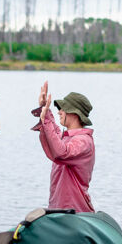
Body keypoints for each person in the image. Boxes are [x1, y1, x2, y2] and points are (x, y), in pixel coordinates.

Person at [32, 82, 95, 213]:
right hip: (59, 211)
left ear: (75, 114)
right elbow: (54, 134)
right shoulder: (67, 137)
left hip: (75, 214)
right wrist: (44, 108)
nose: (59, 112)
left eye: (63, 109)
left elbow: (61, 152)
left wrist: (46, 120)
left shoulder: (84, 141)